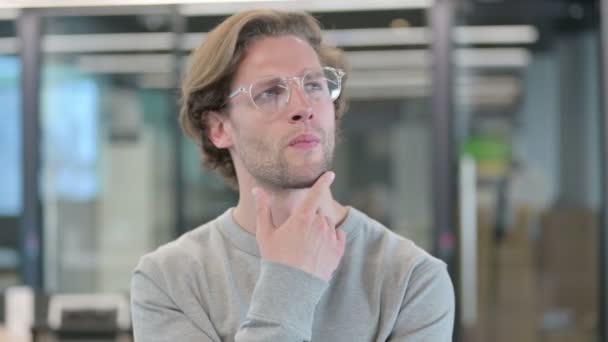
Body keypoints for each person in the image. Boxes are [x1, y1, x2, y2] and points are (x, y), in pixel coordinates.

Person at [131, 9, 455, 342]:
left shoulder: (411, 278)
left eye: (314, 85)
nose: (304, 106)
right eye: (270, 92)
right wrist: (290, 283)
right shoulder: (169, 280)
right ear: (219, 128)